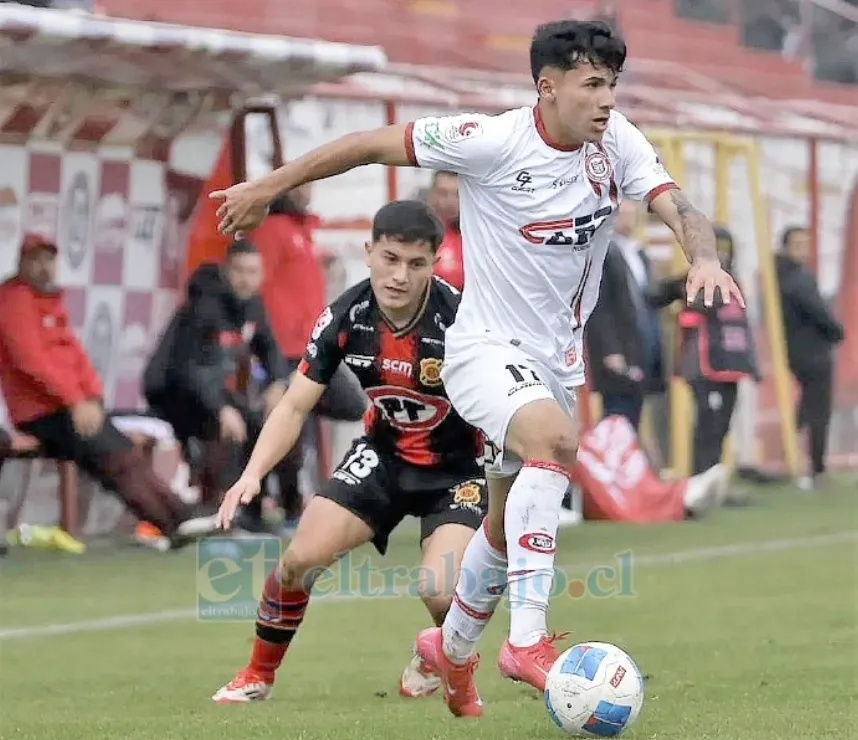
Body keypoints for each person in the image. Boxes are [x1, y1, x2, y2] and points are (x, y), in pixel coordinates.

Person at [209, 20, 743, 718]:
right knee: (554, 443)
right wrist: (266, 188)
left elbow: (680, 208)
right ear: (547, 88)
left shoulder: (618, 144)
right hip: (484, 350)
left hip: (554, 363)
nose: (607, 99)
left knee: (502, 520)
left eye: (612, 83)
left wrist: (702, 256)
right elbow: (367, 145)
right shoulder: (490, 141)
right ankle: (524, 643)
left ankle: (450, 644)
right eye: (592, 84)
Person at [211, 200, 489, 704]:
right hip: (384, 457)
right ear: (369, 253)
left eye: (415, 264)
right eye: (390, 259)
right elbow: (295, 405)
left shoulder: (464, 322)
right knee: (298, 560)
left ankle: (438, 655)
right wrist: (252, 473)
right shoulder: (346, 315)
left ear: (435, 262)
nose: (400, 276)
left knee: (439, 590)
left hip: (458, 471)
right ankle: (256, 675)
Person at [0, 234, 216, 548]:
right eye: (36, 260)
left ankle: (179, 516)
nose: (44, 267)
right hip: (40, 413)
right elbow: (30, 362)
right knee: (115, 456)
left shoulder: (47, 300)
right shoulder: (14, 300)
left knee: (123, 451)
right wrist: (76, 402)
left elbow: (76, 356)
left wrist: (92, 398)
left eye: (49, 259)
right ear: (21, 263)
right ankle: (172, 521)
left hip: (69, 408)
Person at [144, 239, 289, 531]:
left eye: (253, 272)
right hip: (173, 392)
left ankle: (254, 512)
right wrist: (222, 408)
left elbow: (270, 349)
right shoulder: (205, 305)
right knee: (229, 426)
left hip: (210, 392)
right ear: (226, 271)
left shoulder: (252, 306)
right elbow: (191, 370)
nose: (246, 279)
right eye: (239, 271)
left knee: (266, 422)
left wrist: (278, 383)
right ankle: (215, 511)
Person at [646, 226, 760, 476]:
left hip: (731, 366)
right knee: (707, 425)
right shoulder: (693, 280)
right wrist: (680, 285)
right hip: (703, 365)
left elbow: (742, 325)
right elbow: (654, 296)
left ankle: (712, 477)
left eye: (725, 249)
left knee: (721, 426)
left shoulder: (733, 281)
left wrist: (752, 363)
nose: (722, 254)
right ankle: (701, 477)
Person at [585, 199, 666, 432]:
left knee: (633, 416)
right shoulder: (603, 250)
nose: (628, 217)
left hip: (641, 348)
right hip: (619, 350)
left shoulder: (638, 253)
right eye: (622, 212)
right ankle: (613, 465)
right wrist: (610, 350)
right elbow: (599, 305)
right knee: (617, 417)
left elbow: (646, 296)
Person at [775, 226, 844, 488]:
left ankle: (791, 450)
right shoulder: (798, 279)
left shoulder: (780, 276)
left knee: (807, 406)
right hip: (812, 352)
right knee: (818, 409)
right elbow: (817, 310)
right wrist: (836, 331)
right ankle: (817, 468)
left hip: (796, 351)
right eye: (797, 244)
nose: (803, 249)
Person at [426, 170, 464, 290]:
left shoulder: (477, 237)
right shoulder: (417, 234)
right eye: (443, 193)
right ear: (432, 194)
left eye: (457, 194)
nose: (450, 201)